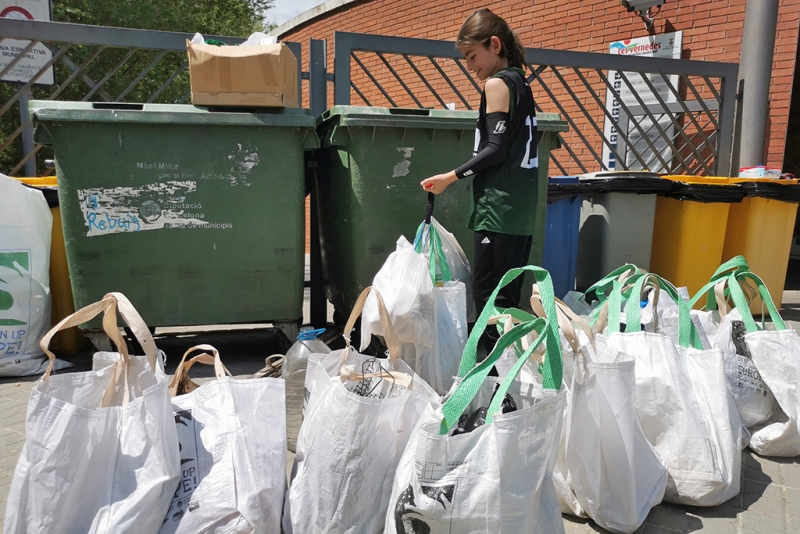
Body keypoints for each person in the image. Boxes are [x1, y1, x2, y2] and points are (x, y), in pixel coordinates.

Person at [421, 8, 538, 354]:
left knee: (490, 305)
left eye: (473, 56)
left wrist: (450, 177)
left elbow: (496, 149)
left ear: (495, 45)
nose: (470, 65)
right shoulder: (520, 82)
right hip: (518, 210)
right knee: (507, 302)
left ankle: (494, 390)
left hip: (498, 209)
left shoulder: (498, 83)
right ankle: (511, 384)